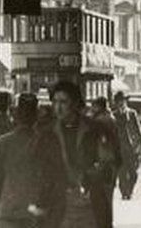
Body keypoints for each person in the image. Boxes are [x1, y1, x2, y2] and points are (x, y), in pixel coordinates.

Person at [33, 81, 115, 228]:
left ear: (75, 104)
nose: (58, 107)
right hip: (59, 206)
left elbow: (108, 164)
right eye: (55, 102)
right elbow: (38, 170)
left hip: (90, 206)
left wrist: (91, 175)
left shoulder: (94, 130)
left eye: (63, 102)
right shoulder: (46, 134)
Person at [0, 94, 41, 228]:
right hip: (35, 209)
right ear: (36, 116)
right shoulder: (44, 142)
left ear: (16, 115)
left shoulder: (3, 141)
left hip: (10, 206)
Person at [89, 97, 121, 227]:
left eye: (93, 106)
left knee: (100, 199)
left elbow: (101, 144)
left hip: (103, 164)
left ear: (99, 107)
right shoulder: (111, 118)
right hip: (111, 163)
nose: (91, 109)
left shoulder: (100, 121)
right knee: (108, 197)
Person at [112, 91, 141, 200]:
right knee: (121, 173)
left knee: (134, 174)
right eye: (119, 102)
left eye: (123, 101)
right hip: (119, 149)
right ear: (116, 103)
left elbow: (138, 130)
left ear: (125, 102)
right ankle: (124, 193)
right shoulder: (114, 115)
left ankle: (129, 190)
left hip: (132, 148)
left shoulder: (132, 114)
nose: (121, 103)